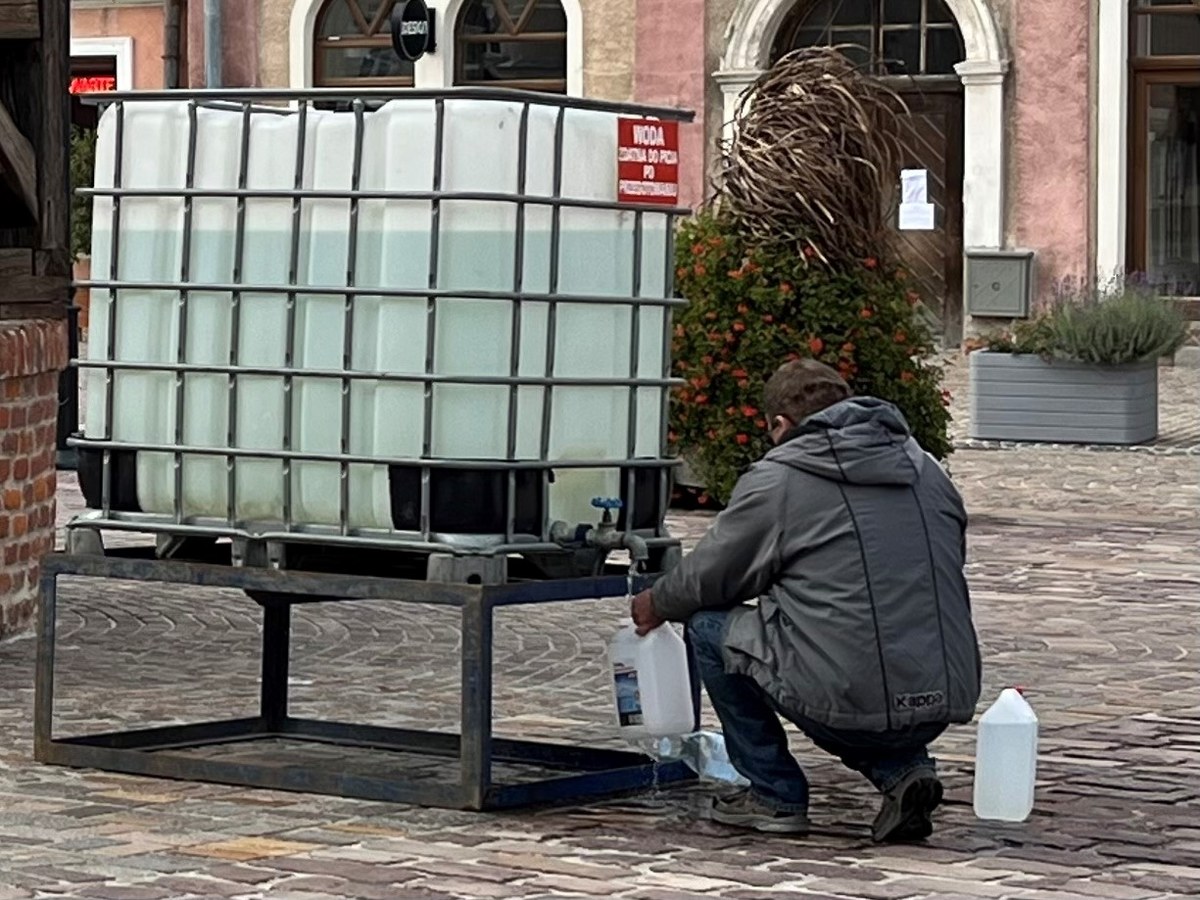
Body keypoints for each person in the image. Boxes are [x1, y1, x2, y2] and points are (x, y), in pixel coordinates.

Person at [631, 358, 980, 842]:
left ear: (779, 425)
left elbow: (712, 577)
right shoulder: (926, 468)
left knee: (710, 628)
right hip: (943, 697)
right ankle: (903, 771)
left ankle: (774, 795)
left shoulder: (782, 478)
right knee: (846, 668)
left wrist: (655, 603)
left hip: (853, 697)